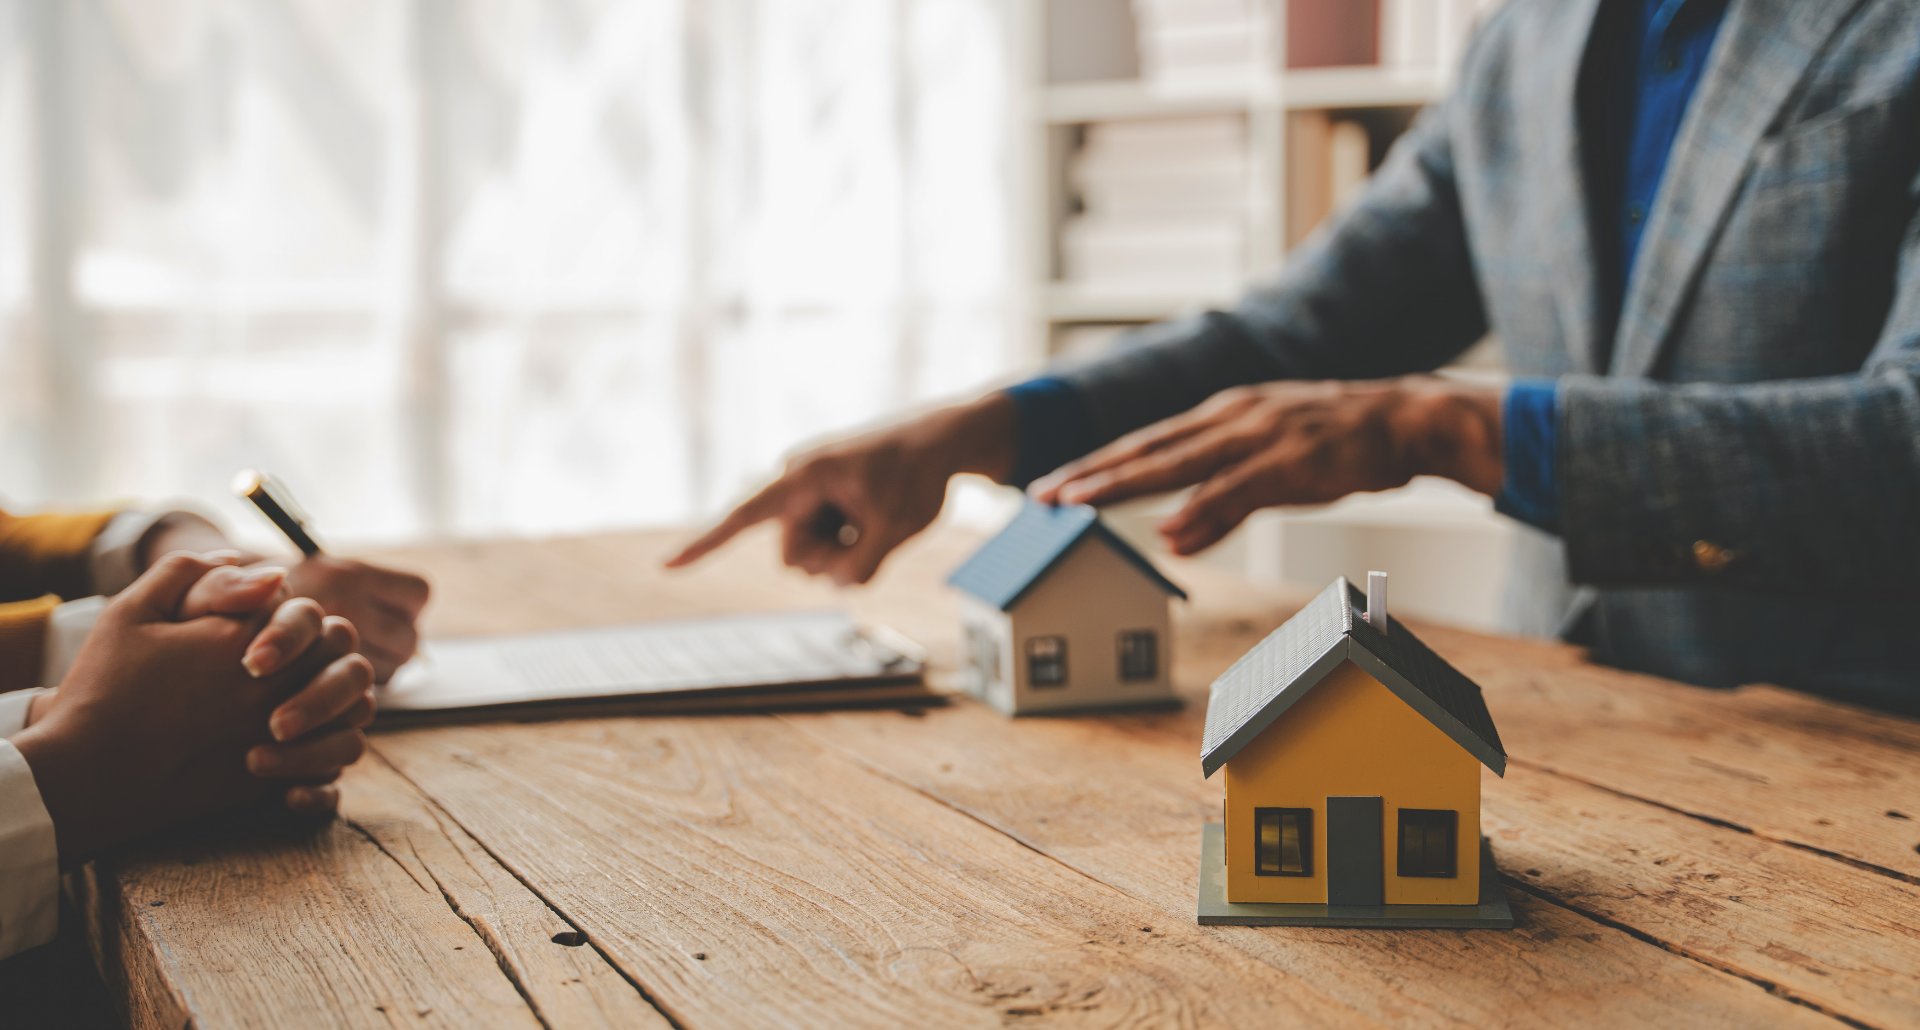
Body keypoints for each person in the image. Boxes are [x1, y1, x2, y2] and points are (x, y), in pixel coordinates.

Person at [669, 0, 1920, 711]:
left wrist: (1446, 427)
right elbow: (1302, 332)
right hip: (1575, 725)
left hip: (1859, 751)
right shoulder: (1525, 39)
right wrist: (978, 431)